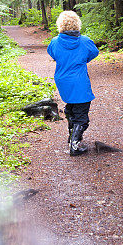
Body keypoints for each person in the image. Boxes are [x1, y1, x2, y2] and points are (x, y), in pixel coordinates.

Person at [47, 10, 99, 156]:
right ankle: (74, 146)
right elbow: (94, 52)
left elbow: (52, 53)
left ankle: (72, 138)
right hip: (79, 80)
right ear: (77, 23)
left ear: (60, 24)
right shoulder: (85, 41)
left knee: (71, 108)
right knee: (81, 114)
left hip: (63, 80)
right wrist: (82, 59)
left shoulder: (55, 42)